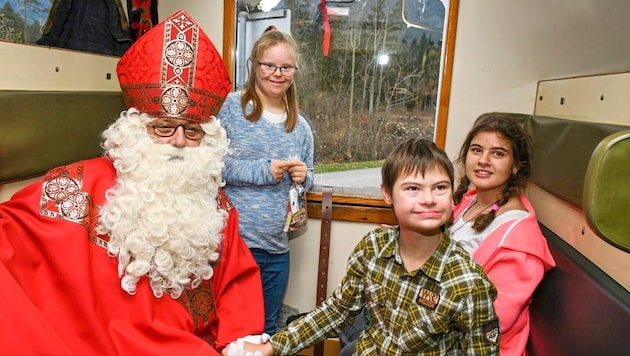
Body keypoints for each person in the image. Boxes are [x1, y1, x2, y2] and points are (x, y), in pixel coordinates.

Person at [0, 10, 264, 355]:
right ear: (137, 130)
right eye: (163, 128)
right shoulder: (75, 189)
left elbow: (237, 283)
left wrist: (242, 341)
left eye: (193, 130)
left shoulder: (214, 206)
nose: (179, 141)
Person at [228, 138, 501, 355]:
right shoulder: (373, 248)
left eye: (440, 188)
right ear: (387, 194)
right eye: (413, 189)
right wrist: (272, 347)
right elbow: (337, 311)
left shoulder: (469, 283)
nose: (429, 199)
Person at [217, 28, 314, 335]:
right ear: (254, 65)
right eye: (268, 65)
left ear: (294, 71)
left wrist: (304, 177)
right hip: (235, 245)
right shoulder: (232, 108)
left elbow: (308, 178)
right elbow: (212, 165)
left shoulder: (301, 127)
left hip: (277, 249)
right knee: (230, 327)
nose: (277, 73)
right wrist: (262, 171)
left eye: (285, 67)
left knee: (267, 330)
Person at [450, 113, 556, 356]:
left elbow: (491, 323)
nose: (483, 160)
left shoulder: (518, 241)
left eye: (498, 153)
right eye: (477, 150)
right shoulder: (469, 201)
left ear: (516, 166)